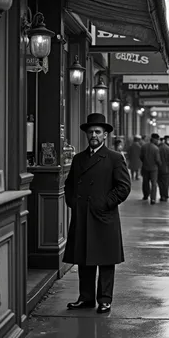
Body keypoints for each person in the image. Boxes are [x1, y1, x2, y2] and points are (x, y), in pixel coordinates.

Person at [64, 113, 131, 314]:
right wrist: (73, 203)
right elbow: (69, 185)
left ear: (105, 135)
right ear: (86, 134)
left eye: (97, 132)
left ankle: (104, 299)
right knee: (84, 259)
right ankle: (85, 298)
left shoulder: (115, 158)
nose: (93, 135)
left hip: (104, 216)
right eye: (90, 132)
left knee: (105, 260)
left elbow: (123, 187)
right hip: (82, 215)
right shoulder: (78, 159)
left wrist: (104, 203)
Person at [140, 133, 162, 204]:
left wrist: (145, 162)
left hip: (145, 167)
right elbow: (157, 160)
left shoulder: (144, 146)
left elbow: (141, 157)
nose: (157, 141)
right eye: (157, 140)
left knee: (145, 182)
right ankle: (153, 199)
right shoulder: (156, 148)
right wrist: (160, 165)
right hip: (153, 169)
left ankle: (145, 195)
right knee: (154, 183)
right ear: (154, 139)